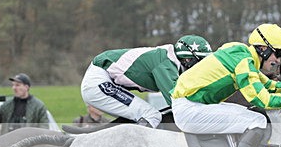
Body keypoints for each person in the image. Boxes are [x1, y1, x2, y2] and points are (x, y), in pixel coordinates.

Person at [80, 35, 213, 128]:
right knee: (151, 115)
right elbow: (177, 102)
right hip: (98, 82)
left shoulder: (169, 59)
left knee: (145, 115)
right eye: (201, 61)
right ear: (188, 59)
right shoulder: (165, 63)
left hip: (103, 78)